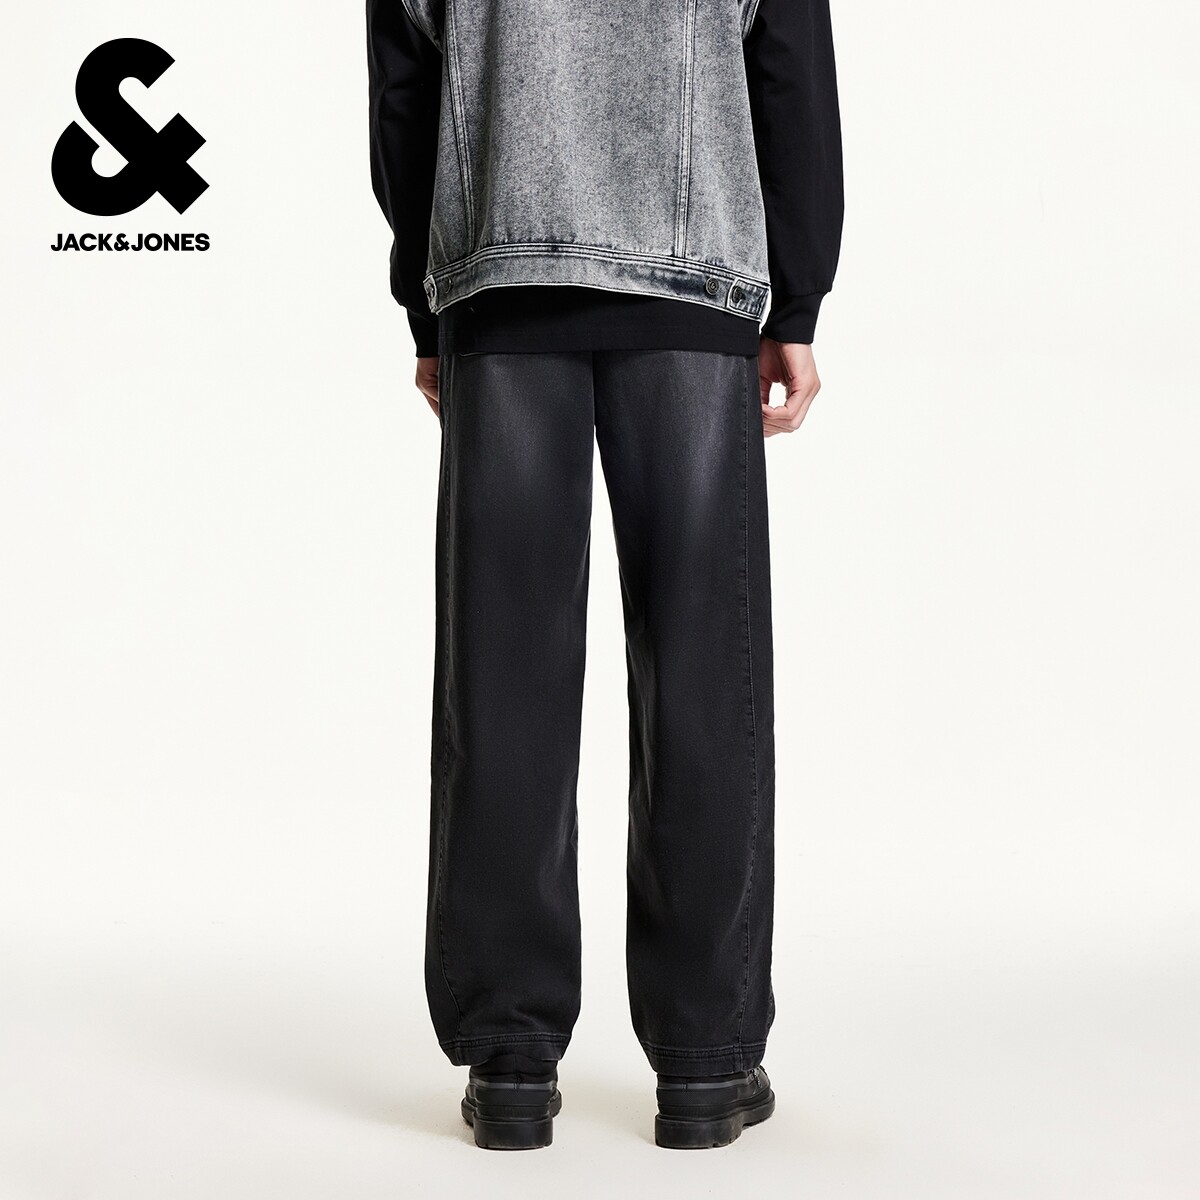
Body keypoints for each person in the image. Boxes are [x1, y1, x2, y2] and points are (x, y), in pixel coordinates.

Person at [366, 0, 843, 1151]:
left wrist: (426, 303)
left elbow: (404, 81)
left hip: (501, 279)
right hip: (692, 280)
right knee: (703, 677)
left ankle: (510, 1060)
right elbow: (787, 60)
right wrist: (797, 294)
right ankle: (706, 1063)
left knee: (502, 679)